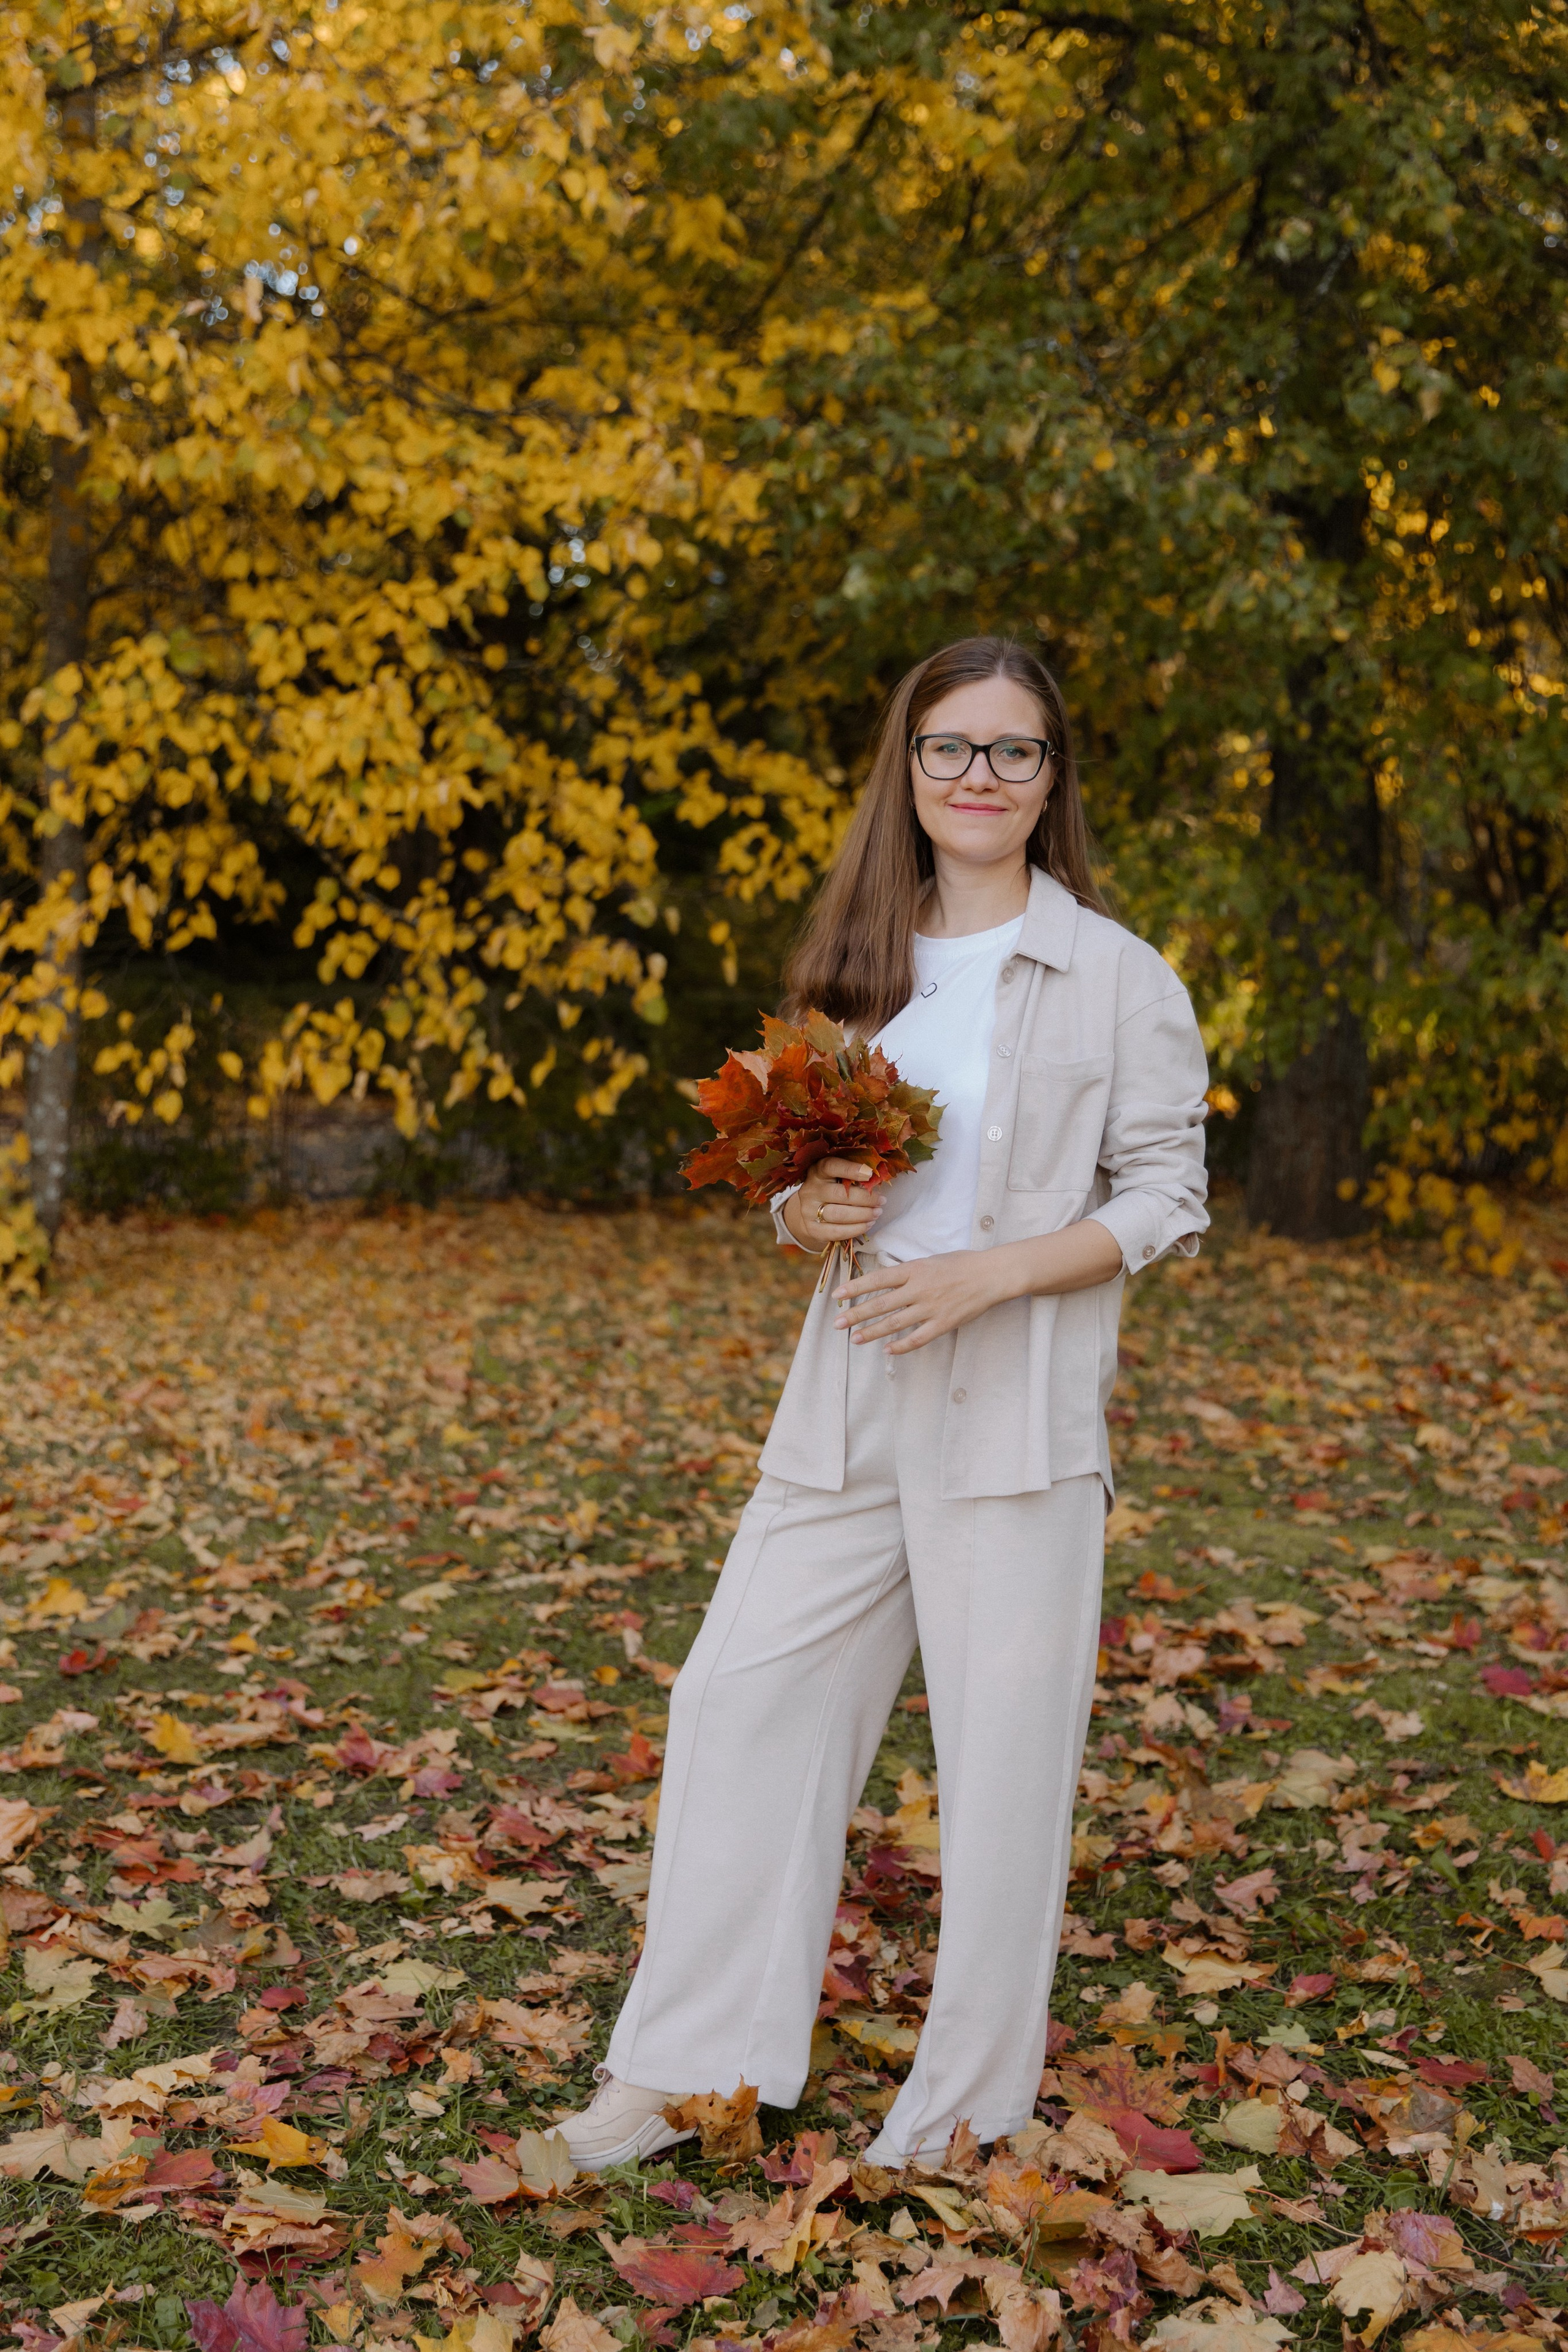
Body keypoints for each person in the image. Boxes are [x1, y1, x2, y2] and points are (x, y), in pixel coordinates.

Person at [560, 635, 1210, 2172]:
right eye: (949, 748)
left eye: (1011, 750)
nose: (978, 775)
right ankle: (690, 2073)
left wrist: (990, 1277)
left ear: (1049, 779)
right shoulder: (860, 967)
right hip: (850, 1385)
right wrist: (806, 1215)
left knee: (1000, 1767)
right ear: (906, 770)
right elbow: (801, 1186)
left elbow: (1165, 1197)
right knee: (737, 1699)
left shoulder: (1117, 975)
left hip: (1013, 1403)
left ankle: (960, 2115)